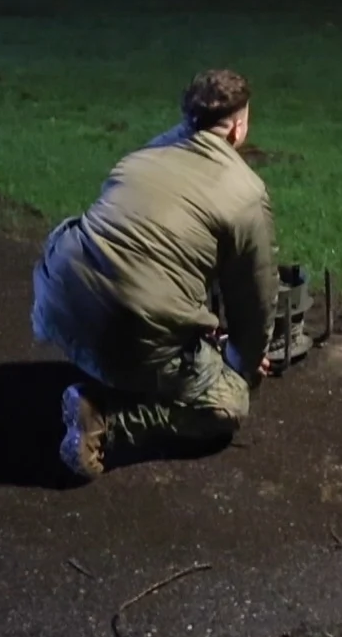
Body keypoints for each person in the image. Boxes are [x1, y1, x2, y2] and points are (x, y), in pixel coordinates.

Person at [31, 68, 280, 479]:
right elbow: (253, 301)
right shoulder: (245, 194)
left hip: (58, 297)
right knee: (227, 403)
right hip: (127, 323)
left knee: (142, 318)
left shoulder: (147, 154)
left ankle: (115, 367)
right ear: (237, 129)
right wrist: (243, 366)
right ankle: (104, 420)